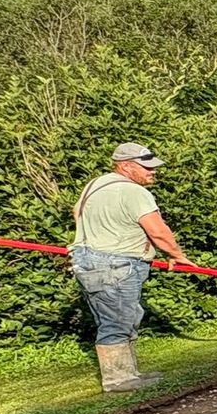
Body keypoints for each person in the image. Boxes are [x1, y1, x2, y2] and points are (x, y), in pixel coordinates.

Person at [70, 142, 190, 392]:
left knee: (123, 317)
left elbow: (76, 212)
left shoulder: (94, 185)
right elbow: (158, 231)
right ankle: (118, 380)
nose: (152, 171)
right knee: (117, 321)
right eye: (145, 167)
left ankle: (130, 374)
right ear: (125, 166)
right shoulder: (134, 192)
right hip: (117, 264)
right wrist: (177, 255)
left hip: (89, 260)